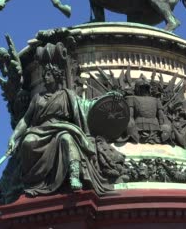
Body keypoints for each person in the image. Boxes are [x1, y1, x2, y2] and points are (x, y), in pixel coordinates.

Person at [7, 63, 111, 196]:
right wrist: (13, 137)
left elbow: (86, 105)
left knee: (67, 138)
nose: (45, 77)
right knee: (28, 142)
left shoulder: (67, 95)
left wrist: (109, 97)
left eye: (48, 74)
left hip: (61, 127)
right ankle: (34, 181)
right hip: (41, 129)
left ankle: (74, 175)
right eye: (44, 75)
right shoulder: (37, 98)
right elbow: (26, 120)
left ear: (56, 77)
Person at [125, 79, 172, 144]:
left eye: (145, 88)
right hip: (153, 129)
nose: (144, 89)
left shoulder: (131, 98)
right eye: (143, 88)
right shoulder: (156, 100)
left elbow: (130, 117)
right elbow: (161, 118)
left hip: (142, 128)